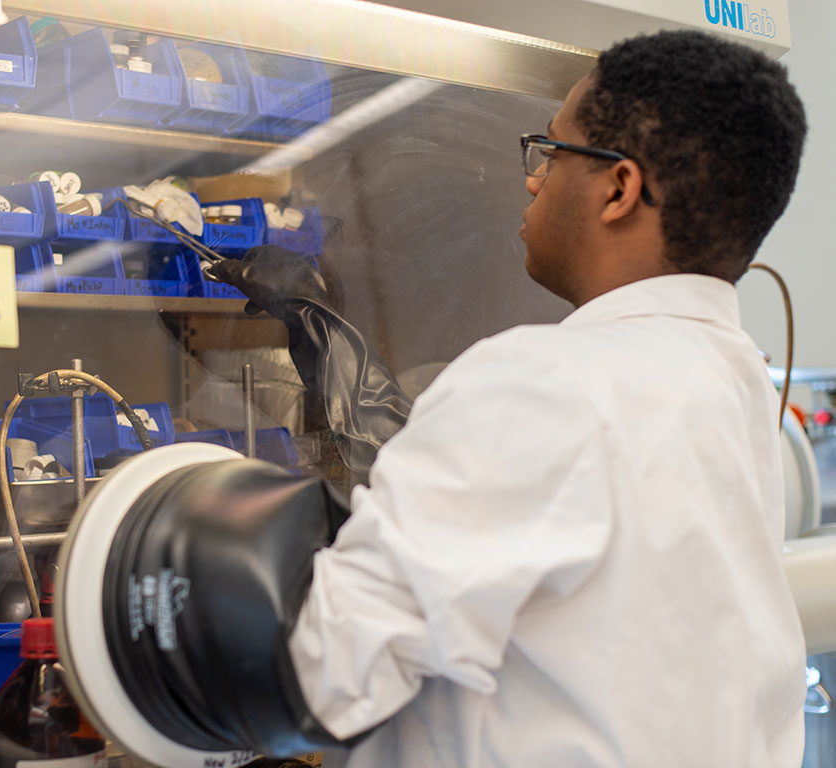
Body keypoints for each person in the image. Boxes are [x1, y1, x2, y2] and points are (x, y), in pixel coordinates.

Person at [208, 29, 809, 767]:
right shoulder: (736, 380)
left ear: (619, 189)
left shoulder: (548, 381)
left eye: (552, 151)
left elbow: (322, 674)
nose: (534, 177)